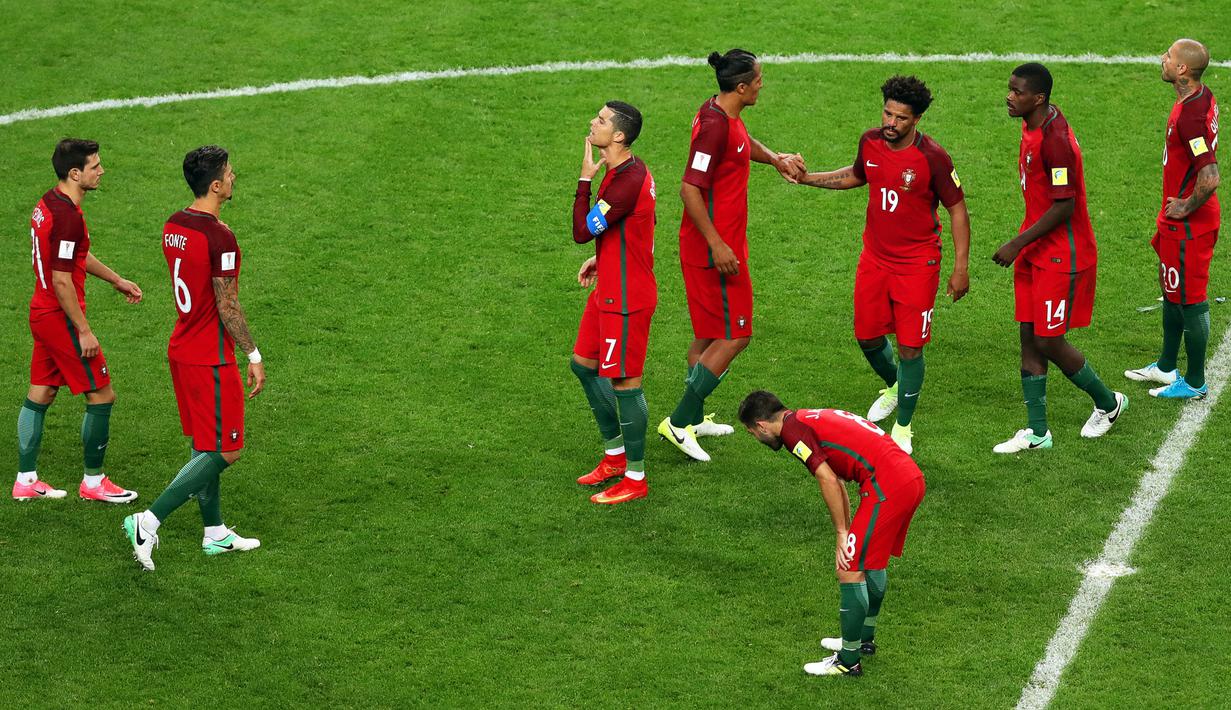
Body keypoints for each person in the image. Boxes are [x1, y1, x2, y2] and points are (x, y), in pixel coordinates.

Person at [798, 75, 970, 455]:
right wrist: (807, 178)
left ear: (917, 119)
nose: (890, 123)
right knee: (867, 337)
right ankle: (897, 384)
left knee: (910, 347)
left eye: (901, 118)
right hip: (874, 258)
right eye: (887, 114)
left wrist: (960, 267)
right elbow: (857, 176)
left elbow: (956, 208)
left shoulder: (934, 158)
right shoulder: (870, 141)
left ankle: (904, 424)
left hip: (917, 264)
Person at [658, 49, 805, 463]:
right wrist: (718, 244)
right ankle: (680, 421)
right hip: (714, 251)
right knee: (736, 333)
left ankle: (695, 416)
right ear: (741, 87)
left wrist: (774, 158)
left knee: (708, 335)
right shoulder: (711, 127)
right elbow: (689, 189)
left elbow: (739, 143)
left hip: (720, 245)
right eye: (758, 79)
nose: (762, 83)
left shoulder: (724, 115)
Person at [124, 146, 265, 571]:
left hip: (182, 347)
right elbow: (228, 306)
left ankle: (215, 532)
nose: (235, 176)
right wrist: (253, 353)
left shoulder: (174, 224)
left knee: (204, 444)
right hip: (210, 356)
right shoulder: (220, 236)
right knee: (227, 449)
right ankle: (147, 521)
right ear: (216, 185)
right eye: (229, 172)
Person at [738, 390, 925, 677]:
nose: (756, 438)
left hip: (888, 485)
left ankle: (848, 660)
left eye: (752, 433)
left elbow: (826, 478)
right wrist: (847, 529)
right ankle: (863, 639)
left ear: (762, 425)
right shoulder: (805, 418)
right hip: (906, 477)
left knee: (849, 567)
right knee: (870, 561)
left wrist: (842, 533)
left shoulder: (793, 433)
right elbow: (836, 480)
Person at [991, 63, 1126, 453]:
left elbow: (1064, 206)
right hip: (1037, 251)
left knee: (1049, 340)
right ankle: (1037, 432)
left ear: (1039, 98)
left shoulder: (1055, 142)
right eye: (1010, 89)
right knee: (1028, 336)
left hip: (1061, 255)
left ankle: (1109, 402)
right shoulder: (1033, 122)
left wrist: (1017, 243)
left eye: (1017, 92)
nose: (1009, 96)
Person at [15, 138, 142, 503]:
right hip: (60, 317)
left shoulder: (49, 203)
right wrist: (83, 330)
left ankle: (26, 480)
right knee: (102, 394)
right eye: (95, 166)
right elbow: (61, 278)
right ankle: (94, 481)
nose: (101, 171)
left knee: (42, 390)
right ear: (75, 173)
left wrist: (115, 279)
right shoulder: (69, 217)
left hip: (40, 311)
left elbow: (70, 258)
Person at [570, 101, 657, 505]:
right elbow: (633, 228)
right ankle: (615, 456)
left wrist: (584, 180)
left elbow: (581, 231)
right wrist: (603, 258)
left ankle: (635, 478)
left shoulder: (623, 179)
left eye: (602, 121)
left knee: (624, 384)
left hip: (626, 298)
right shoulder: (622, 171)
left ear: (619, 136)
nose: (594, 122)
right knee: (584, 366)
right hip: (610, 286)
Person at [1125, 38, 1221, 399]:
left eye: (1168, 56)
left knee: (1191, 300)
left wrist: (1184, 206)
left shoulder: (1191, 117)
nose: (1162, 59)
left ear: (1182, 69)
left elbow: (1209, 177)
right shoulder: (1200, 97)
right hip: (1178, 225)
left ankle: (1195, 382)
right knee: (1172, 289)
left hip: (1190, 227)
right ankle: (1167, 367)